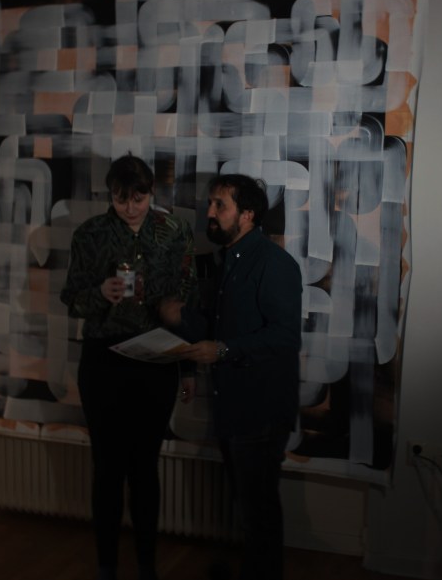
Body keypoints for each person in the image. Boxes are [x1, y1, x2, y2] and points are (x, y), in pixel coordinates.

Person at [60, 154, 197, 580]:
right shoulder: (90, 234)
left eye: (138, 198)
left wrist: (189, 365)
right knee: (107, 468)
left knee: (144, 468)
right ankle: (106, 566)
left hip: (156, 360)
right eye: (122, 200)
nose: (131, 208)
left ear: (151, 192)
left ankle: (146, 566)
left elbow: (188, 299)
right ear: (111, 195)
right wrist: (100, 292)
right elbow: (72, 300)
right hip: (105, 361)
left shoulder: (174, 231)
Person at [161, 173, 303, 580]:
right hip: (235, 409)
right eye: (211, 203)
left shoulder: (274, 263)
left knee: (259, 512)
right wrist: (179, 318)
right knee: (248, 507)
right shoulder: (230, 259)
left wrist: (222, 350)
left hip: (260, 410)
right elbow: (221, 326)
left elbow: (285, 337)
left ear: (247, 214)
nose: (209, 212)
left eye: (219, 205)